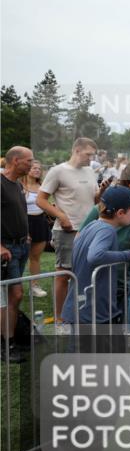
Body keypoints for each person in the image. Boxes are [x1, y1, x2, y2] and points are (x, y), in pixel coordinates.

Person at [37, 137, 105, 322]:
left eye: (92, 155)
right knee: (63, 274)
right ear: (76, 150)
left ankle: (80, 312)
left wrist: (102, 192)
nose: (90, 158)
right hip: (68, 230)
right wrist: (61, 216)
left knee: (85, 273)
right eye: (88, 154)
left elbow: (94, 200)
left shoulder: (90, 170)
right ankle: (60, 318)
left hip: (89, 229)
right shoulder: (58, 171)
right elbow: (41, 200)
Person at [61, 186, 130, 325]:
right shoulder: (107, 230)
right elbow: (95, 256)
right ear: (120, 213)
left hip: (80, 308)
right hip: (93, 312)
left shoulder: (91, 226)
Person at [2, 147, 34, 363]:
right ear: (15, 160)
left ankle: (10, 337)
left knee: (13, 297)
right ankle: (8, 344)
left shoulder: (17, 184)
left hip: (21, 246)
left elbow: (19, 213)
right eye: (28, 161)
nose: (32, 165)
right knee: (14, 295)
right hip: (8, 249)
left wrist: (27, 234)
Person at [21, 160, 49, 297]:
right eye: (34, 168)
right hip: (23, 222)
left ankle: (35, 286)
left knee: (35, 257)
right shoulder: (20, 185)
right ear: (27, 170)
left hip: (40, 222)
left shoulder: (43, 186)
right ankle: (13, 286)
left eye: (39, 168)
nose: (37, 170)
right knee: (19, 257)